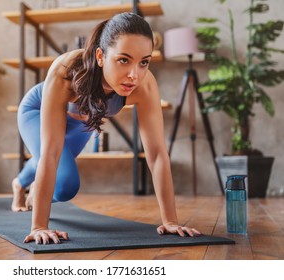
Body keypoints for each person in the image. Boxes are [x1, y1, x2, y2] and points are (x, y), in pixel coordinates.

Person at [11, 12, 201, 245]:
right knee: (65, 185)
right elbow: (50, 152)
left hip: (82, 121)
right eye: (124, 60)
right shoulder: (66, 69)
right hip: (36, 112)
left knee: (60, 169)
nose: (134, 75)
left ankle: (20, 183)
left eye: (144, 62)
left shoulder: (145, 85)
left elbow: (157, 154)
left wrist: (170, 221)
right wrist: (39, 226)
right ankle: (23, 184)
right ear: (100, 56)